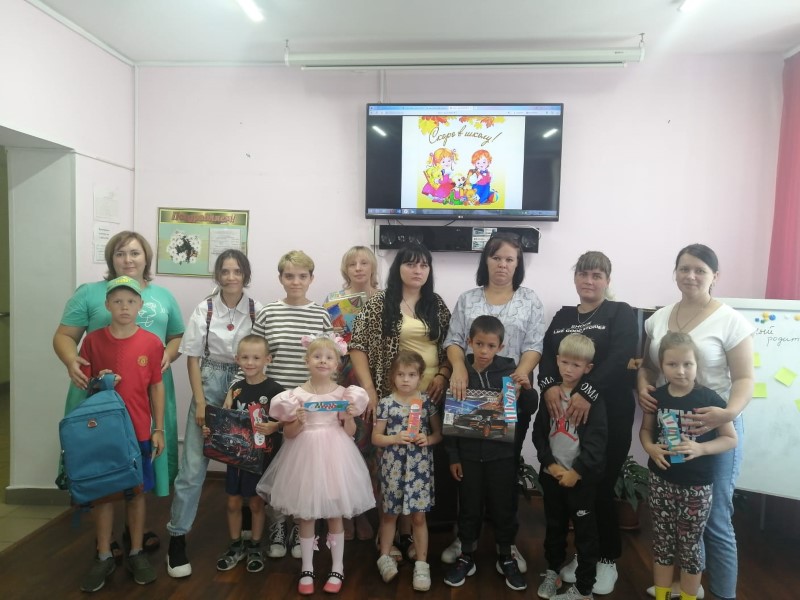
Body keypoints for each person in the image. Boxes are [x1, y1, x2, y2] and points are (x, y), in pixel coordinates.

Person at [53, 230, 183, 557]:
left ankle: (134, 532)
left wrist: (169, 354)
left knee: (141, 459)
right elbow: (65, 336)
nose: (128, 259)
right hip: (99, 394)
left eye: (135, 253)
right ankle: (105, 538)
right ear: (111, 258)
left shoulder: (163, 295)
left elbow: (177, 335)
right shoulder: (89, 293)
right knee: (103, 460)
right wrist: (71, 360)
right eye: (120, 253)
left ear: (146, 257)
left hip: (147, 390)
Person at [638, 244, 754, 600]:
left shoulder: (730, 320)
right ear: (675, 272)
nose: (691, 275)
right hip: (671, 426)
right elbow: (648, 366)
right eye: (684, 268)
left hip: (715, 427)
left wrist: (727, 413)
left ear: (714, 276)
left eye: (700, 270)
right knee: (679, 520)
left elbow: (745, 379)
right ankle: (687, 587)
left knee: (715, 518)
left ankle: (724, 593)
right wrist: (642, 386)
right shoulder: (659, 318)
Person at [538, 251, 638, 595]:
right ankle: (585, 555)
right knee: (572, 492)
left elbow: (621, 355)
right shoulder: (563, 315)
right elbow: (547, 354)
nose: (589, 281)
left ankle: (606, 559)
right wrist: (548, 386)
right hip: (563, 416)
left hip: (609, 415)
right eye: (583, 274)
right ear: (575, 278)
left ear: (607, 280)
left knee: (599, 486)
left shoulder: (620, 312)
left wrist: (588, 392)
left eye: (597, 275)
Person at [444, 231, 544, 569]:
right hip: (469, 393)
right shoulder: (468, 299)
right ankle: (465, 539)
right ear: (485, 260)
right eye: (496, 257)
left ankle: (506, 545)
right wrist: (459, 367)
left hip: (511, 394)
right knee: (469, 472)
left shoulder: (529, 299)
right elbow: (454, 340)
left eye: (509, 259)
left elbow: (534, 345)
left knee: (504, 469)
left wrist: (519, 377)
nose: (502, 264)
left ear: (518, 264)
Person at [349, 242, 451, 561]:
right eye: (410, 264)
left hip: (429, 397)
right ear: (398, 269)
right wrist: (370, 389)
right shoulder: (381, 303)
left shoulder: (436, 304)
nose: (417, 270)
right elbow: (358, 346)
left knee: (416, 463)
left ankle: (408, 533)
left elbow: (452, 347)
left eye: (423, 265)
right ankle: (389, 534)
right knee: (390, 467)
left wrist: (443, 375)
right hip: (391, 395)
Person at [166, 249, 263, 578]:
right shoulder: (204, 308)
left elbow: (263, 353)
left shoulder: (257, 309)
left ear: (245, 274)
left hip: (245, 380)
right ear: (217, 275)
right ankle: (177, 537)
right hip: (209, 381)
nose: (231, 277)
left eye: (237, 271)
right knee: (193, 467)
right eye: (225, 271)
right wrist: (200, 402)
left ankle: (247, 527)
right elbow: (192, 357)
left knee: (246, 457)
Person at [257, 335, 375, 595]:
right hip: (304, 456)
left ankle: (337, 567)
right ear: (307, 360)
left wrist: (349, 417)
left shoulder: (344, 394)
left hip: (335, 456)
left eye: (329, 357)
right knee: (306, 515)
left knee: (335, 513)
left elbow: (349, 433)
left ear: (337, 364)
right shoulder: (295, 396)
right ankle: (307, 568)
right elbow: (289, 434)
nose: (323, 361)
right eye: (317, 356)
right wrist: (298, 420)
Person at [76, 276, 165, 592]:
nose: (124, 307)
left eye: (130, 301)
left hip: (138, 430)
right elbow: (84, 384)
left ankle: (136, 552)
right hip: (103, 433)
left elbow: (156, 386)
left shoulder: (152, 343)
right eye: (117, 301)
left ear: (140, 305)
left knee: (136, 493)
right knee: (104, 494)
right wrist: (99, 381)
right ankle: (103, 555)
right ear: (107, 305)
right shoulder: (92, 341)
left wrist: (158, 428)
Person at [640, 332, 738, 600]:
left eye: (687, 364)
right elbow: (646, 430)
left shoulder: (709, 398)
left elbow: (730, 439)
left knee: (690, 547)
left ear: (697, 365)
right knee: (662, 543)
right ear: (662, 366)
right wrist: (649, 447)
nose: (681, 371)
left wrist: (701, 448)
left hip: (696, 487)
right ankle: (662, 595)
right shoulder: (657, 397)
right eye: (672, 364)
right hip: (661, 481)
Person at [253, 249, 333, 559]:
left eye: (302, 276)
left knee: (304, 471)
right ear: (280, 278)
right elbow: (256, 354)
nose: (295, 281)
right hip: (276, 402)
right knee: (275, 467)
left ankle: (303, 528)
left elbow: (329, 358)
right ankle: (277, 525)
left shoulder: (321, 314)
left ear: (311, 279)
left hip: (309, 404)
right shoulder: (268, 312)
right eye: (289, 276)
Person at [444, 315, 530, 591]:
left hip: (501, 457)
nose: (484, 351)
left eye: (491, 346)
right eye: (479, 344)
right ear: (469, 342)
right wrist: (454, 456)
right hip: (469, 457)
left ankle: (506, 555)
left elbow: (527, 408)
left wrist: (525, 389)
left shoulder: (509, 372)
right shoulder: (461, 373)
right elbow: (451, 417)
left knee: (504, 507)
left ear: (500, 347)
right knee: (469, 506)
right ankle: (466, 555)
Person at [534, 333, 608, 600]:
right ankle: (552, 571)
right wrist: (550, 465)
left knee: (586, 535)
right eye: (564, 362)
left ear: (588, 368)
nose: (568, 369)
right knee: (554, 528)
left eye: (576, 365)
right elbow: (539, 435)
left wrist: (577, 472)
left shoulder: (592, 401)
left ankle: (584, 589)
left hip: (580, 481)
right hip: (552, 476)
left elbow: (597, 443)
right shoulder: (550, 396)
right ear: (556, 360)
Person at [202, 335, 284, 574]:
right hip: (236, 458)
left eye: (256, 357)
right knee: (233, 502)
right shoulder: (235, 389)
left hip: (260, 459)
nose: (250, 362)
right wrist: (211, 428)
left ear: (267, 359)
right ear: (237, 359)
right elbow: (224, 418)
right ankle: (236, 545)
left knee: (257, 503)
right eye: (245, 357)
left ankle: (256, 546)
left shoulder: (276, 390)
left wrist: (275, 426)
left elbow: (286, 422)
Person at [372, 350, 442, 592]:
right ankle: (384, 557)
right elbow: (376, 437)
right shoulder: (385, 403)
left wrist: (428, 438)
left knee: (419, 517)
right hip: (393, 468)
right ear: (392, 376)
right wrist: (393, 438)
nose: (405, 379)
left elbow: (438, 434)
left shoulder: (426, 403)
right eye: (400, 374)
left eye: (411, 375)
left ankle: (422, 564)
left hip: (419, 470)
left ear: (420, 377)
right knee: (389, 514)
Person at [324, 245, 380, 542]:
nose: (358, 268)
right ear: (345, 269)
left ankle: (364, 512)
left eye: (364, 263)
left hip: (375, 378)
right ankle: (345, 513)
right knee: (344, 446)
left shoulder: (385, 298)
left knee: (370, 446)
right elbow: (326, 344)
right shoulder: (333, 301)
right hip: (343, 378)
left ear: (373, 267)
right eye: (352, 264)